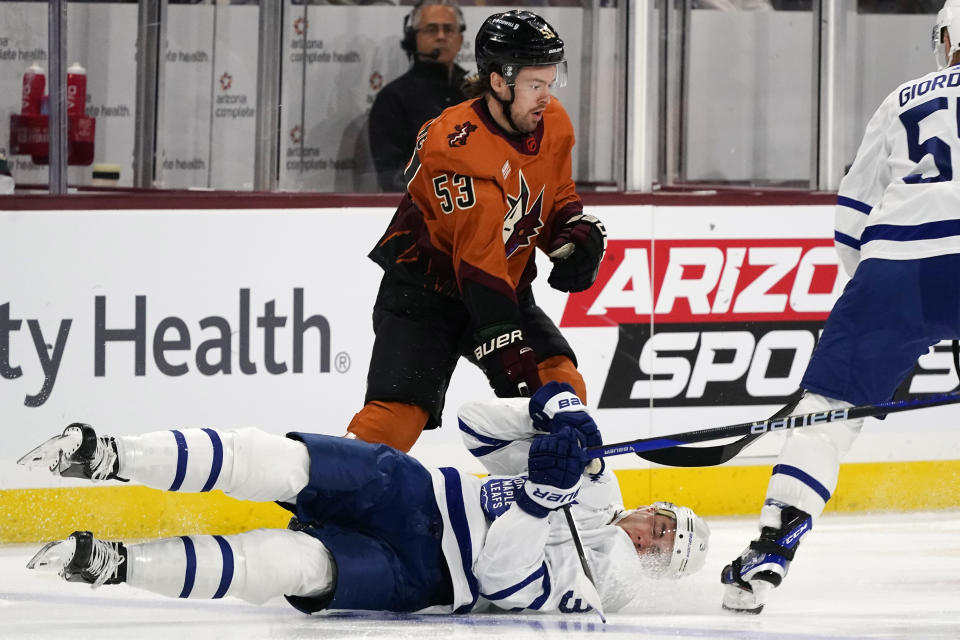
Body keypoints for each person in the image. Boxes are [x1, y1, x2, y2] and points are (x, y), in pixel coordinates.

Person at [19, 383, 709, 615]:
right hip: (410, 488)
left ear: (650, 568)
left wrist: (537, 500)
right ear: (655, 508)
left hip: (424, 574)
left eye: (661, 550)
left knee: (292, 566)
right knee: (278, 458)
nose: (648, 534)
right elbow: (472, 424)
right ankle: (110, 454)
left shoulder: (598, 592)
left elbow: (504, 578)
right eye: (661, 524)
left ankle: (113, 565)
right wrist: (550, 413)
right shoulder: (597, 481)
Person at [721, 1, 960, 615]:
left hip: (897, 265)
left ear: (947, 40)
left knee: (828, 409)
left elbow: (854, 217)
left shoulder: (905, 96)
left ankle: (773, 545)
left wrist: (872, 307)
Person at [348, 10, 607, 452]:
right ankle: (335, 499)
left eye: (550, 82)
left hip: (502, 284)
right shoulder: (457, 148)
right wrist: (509, 351)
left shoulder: (552, 122)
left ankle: (546, 486)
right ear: (498, 82)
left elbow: (553, 191)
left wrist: (570, 228)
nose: (546, 97)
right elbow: (479, 262)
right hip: (426, 295)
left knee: (561, 381)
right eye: (533, 85)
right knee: (396, 417)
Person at [369, 0, 469, 192]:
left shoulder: (475, 94)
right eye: (431, 29)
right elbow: (391, 177)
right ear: (413, 38)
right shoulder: (393, 98)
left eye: (449, 29)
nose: (441, 36)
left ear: (460, 39)